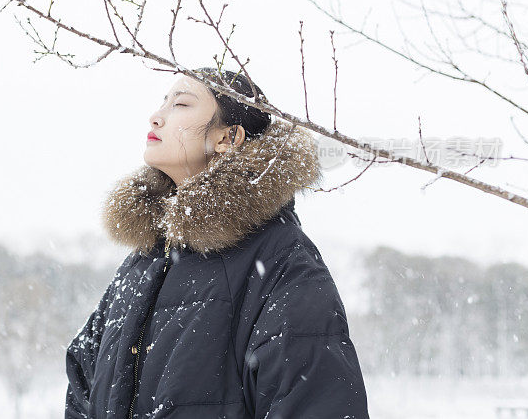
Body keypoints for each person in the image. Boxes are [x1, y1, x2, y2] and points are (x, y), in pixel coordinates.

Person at [65, 67, 370, 418]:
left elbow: (315, 402)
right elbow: (82, 381)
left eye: (180, 104)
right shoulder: (145, 260)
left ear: (229, 138)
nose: (156, 116)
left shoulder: (282, 262)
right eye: (163, 102)